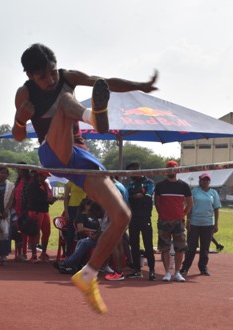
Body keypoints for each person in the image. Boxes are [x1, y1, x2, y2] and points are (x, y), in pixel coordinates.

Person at [11, 43, 158, 312]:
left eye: (53, 72)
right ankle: (95, 117)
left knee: (121, 215)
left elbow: (103, 82)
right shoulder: (25, 93)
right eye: (43, 77)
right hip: (52, 153)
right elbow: (18, 136)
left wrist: (140, 86)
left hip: (80, 157)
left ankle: (88, 276)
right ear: (30, 75)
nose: (51, 79)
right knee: (66, 101)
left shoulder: (68, 76)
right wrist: (20, 121)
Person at [154, 160, 193, 282]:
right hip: (164, 221)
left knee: (180, 248)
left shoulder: (184, 186)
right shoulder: (160, 186)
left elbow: (190, 203)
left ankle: (177, 272)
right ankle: (167, 272)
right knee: (164, 247)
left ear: (177, 170)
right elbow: (157, 202)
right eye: (169, 169)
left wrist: (183, 214)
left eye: (173, 168)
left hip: (178, 221)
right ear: (166, 171)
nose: (171, 171)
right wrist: (162, 214)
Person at [181, 172, 221, 277]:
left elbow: (216, 209)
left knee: (205, 248)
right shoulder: (194, 191)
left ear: (210, 181)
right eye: (203, 179)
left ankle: (203, 267)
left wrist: (216, 223)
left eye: (207, 180)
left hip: (208, 223)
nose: (205, 181)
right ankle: (185, 267)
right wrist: (188, 220)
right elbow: (189, 206)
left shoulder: (213, 193)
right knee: (191, 247)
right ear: (200, 181)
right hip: (194, 223)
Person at [125, 162, 155, 280]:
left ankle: (152, 270)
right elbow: (128, 198)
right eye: (130, 171)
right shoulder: (130, 184)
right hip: (133, 218)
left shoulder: (149, 182)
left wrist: (140, 196)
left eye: (134, 170)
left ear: (139, 169)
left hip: (145, 217)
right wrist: (136, 196)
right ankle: (137, 270)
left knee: (148, 244)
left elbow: (148, 197)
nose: (131, 174)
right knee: (134, 244)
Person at [25, 171, 54, 262]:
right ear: (38, 175)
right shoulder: (32, 186)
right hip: (35, 211)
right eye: (44, 176)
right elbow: (33, 199)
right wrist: (47, 200)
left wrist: (50, 200)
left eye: (46, 177)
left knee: (47, 232)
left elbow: (47, 197)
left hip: (45, 211)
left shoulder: (45, 185)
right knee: (35, 233)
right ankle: (34, 254)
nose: (45, 178)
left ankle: (43, 253)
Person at [11, 164, 32, 262]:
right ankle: (18, 253)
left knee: (25, 231)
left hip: (26, 209)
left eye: (20, 169)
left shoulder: (30, 180)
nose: (18, 171)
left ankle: (24, 253)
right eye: (17, 169)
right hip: (17, 209)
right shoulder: (18, 181)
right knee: (18, 231)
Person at [0, 167, 15, 264]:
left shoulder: (10, 185)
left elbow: (11, 199)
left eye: (5, 173)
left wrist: (6, 210)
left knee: (5, 233)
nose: (3, 175)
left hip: (6, 213)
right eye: (1, 173)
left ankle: (3, 255)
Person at [63, 181, 86, 257]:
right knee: (71, 233)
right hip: (72, 208)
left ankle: (80, 255)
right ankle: (68, 254)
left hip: (83, 208)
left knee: (82, 233)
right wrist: (66, 212)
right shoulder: (70, 182)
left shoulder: (85, 181)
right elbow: (65, 197)